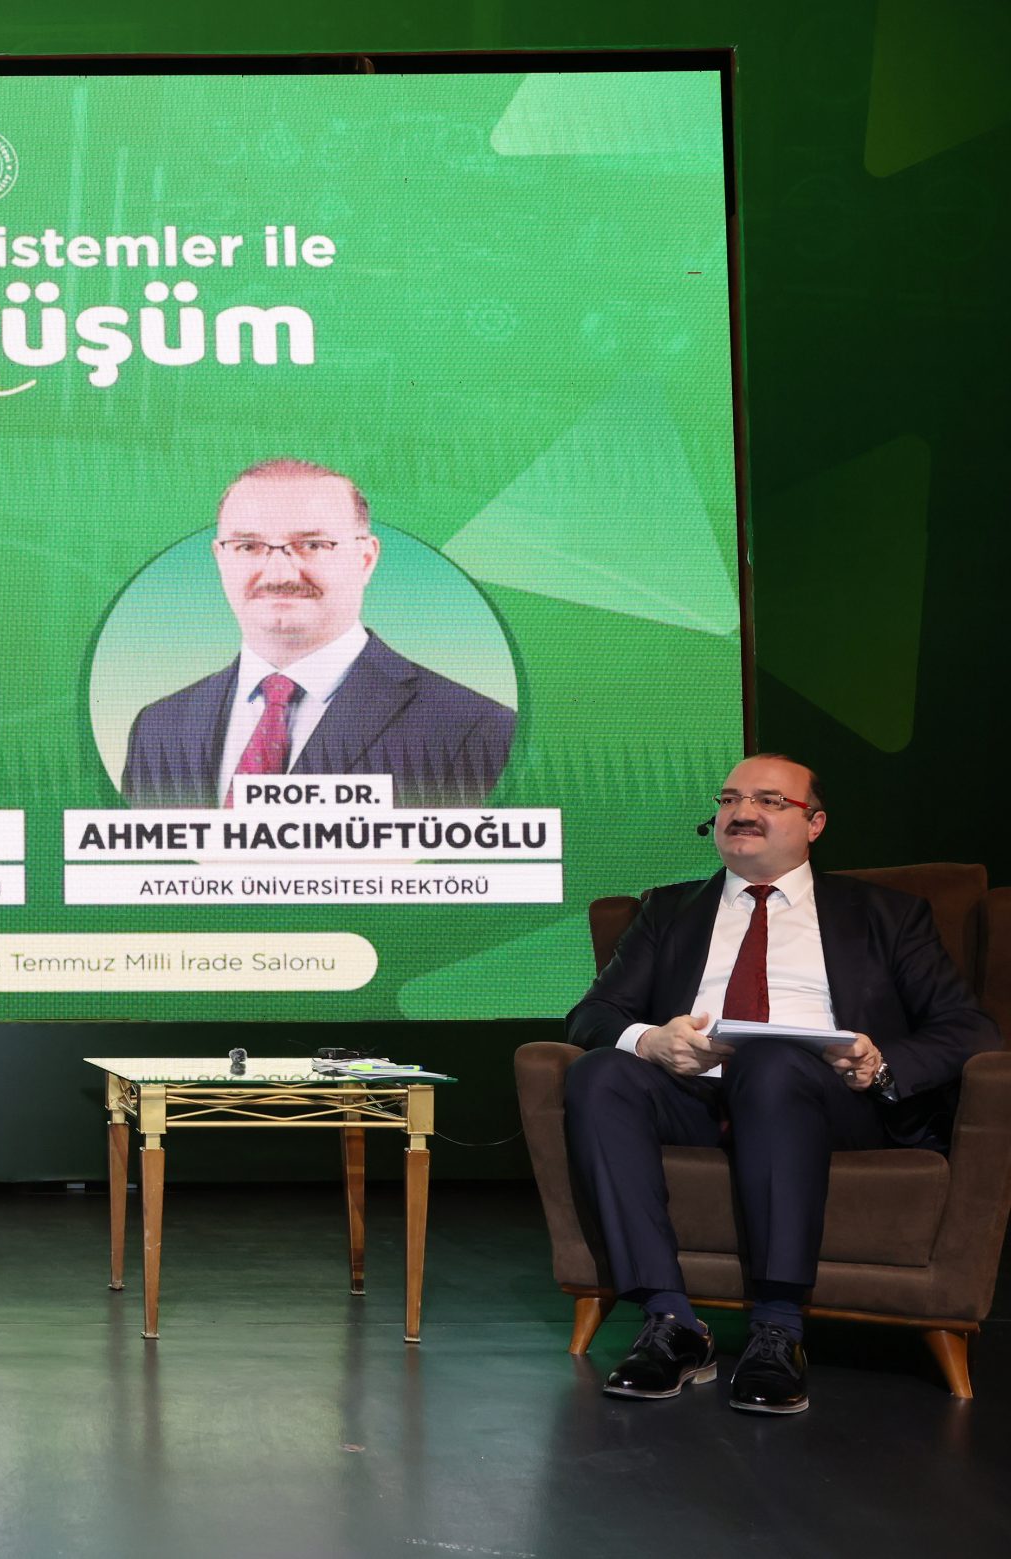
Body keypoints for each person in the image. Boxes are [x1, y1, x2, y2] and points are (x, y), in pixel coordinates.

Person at [564, 754, 998, 1414]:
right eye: (730, 799)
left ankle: (778, 1329)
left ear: (814, 823)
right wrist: (652, 1040)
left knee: (771, 1063)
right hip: (697, 1092)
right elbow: (592, 1013)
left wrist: (881, 1062)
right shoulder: (669, 909)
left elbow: (969, 1028)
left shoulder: (885, 914)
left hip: (825, 1100)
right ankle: (671, 1321)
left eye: (769, 800)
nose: (742, 812)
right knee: (599, 1073)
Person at [119, 458, 513, 807]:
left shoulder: (475, 729)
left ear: (365, 558)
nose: (279, 574)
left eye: (312, 544)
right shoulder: (158, 727)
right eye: (248, 546)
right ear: (220, 558)